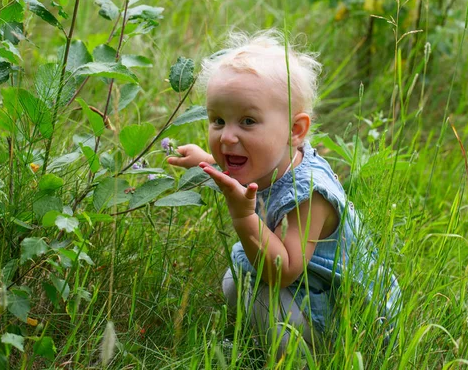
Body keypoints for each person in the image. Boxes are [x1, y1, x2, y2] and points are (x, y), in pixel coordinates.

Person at [167, 30, 401, 361]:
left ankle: (304, 359)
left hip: (348, 316)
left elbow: (282, 271)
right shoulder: (270, 157)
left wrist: (243, 216)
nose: (227, 136)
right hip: (308, 287)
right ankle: (254, 346)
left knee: (263, 299)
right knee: (237, 281)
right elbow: (248, 173)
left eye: (247, 121)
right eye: (218, 120)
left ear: (295, 131)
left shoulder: (309, 196)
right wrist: (206, 161)